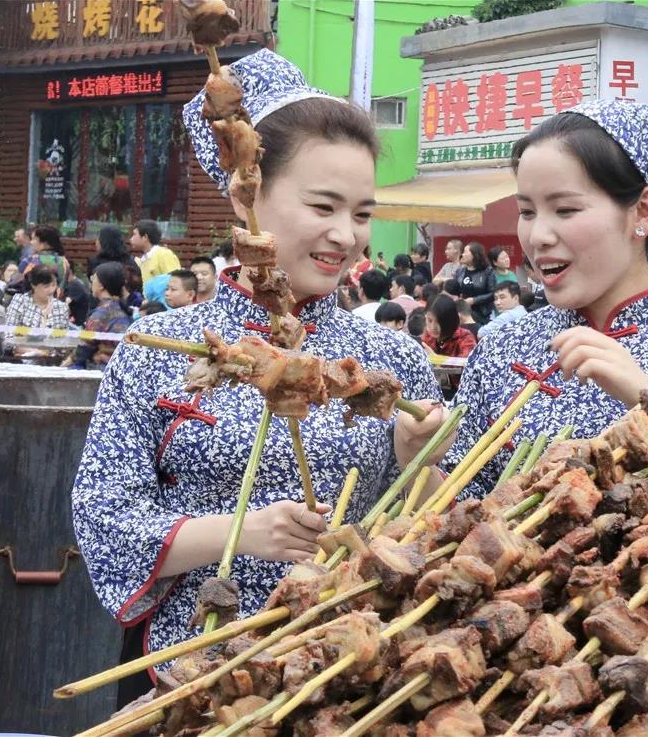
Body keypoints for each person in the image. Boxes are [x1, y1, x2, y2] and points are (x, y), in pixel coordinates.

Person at [72, 50, 440, 697]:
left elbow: (432, 540)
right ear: (248, 194)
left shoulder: (396, 360)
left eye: (361, 214)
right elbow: (105, 516)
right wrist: (240, 532)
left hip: (345, 674)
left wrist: (417, 464)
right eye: (323, 206)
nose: (346, 235)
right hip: (189, 671)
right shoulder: (158, 347)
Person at [395, 100, 648, 498]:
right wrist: (416, 459)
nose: (538, 236)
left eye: (566, 209)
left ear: (643, 212)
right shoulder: (501, 349)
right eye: (527, 211)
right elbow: (456, 516)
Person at [65, 262, 133, 370]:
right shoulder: (118, 307)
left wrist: (64, 365)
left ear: (101, 285)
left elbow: (84, 347)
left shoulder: (102, 313)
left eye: (93, 278)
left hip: (105, 368)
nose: (91, 281)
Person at [5, 265, 71, 329]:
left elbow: (64, 334)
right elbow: (9, 332)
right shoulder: (20, 301)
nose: (51, 290)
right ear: (33, 285)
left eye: (54, 285)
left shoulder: (61, 307)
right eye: (46, 286)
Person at [20, 225, 72, 292]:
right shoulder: (64, 261)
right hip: (57, 297)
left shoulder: (29, 261)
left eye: (34, 239)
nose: (31, 242)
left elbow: (17, 282)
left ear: (45, 242)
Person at [455, 241, 496, 325]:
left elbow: (493, 293)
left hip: (482, 313)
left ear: (474, 255)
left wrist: (474, 300)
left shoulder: (487, 271)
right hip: (464, 312)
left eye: (465, 252)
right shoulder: (460, 271)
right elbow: (456, 289)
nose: (462, 255)